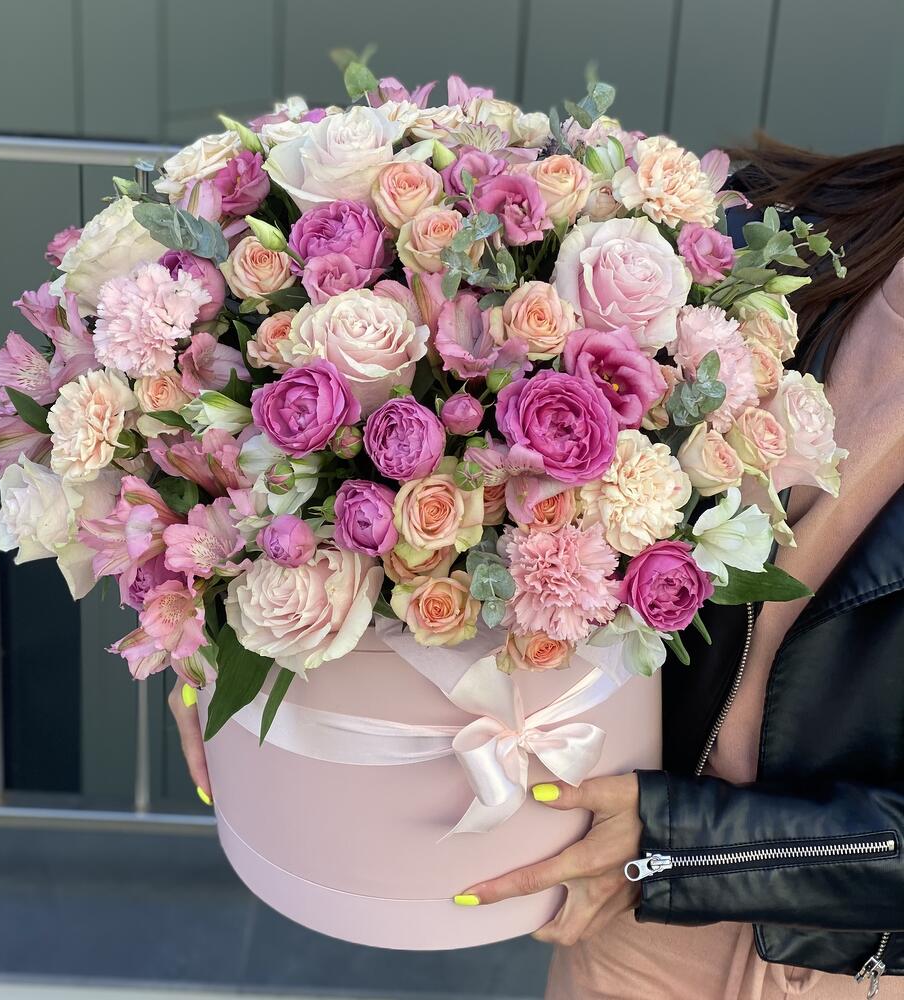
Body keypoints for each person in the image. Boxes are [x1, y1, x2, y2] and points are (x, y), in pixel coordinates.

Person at [170, 137, 904, 999]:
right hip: (633, 940)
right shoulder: (783, 230)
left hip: (848, 962)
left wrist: (688, 847)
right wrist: (208, 598)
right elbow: (487, 205)